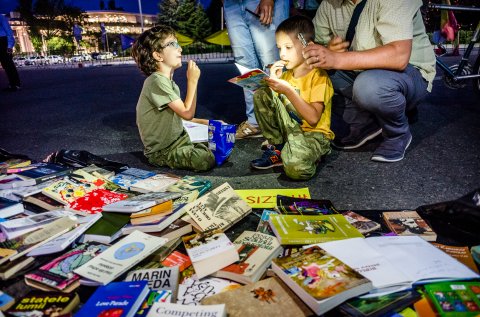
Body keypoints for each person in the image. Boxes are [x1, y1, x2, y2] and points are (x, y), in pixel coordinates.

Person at [304, 0, 436, 163]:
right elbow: (317, 44)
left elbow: (399, 56)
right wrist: (327, 50)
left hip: (408, 73)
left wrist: (335, 58)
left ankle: (397, 133)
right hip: (357, 71)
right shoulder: (329, 4)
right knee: (309, 73)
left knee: (369, 87)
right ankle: (369, 123)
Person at [250, 15, 334, 180]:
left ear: (307, 46)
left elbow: (313, 118)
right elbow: (277, 110)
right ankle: (279, 148)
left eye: (288, 47)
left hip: (314, 135)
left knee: (297, 169)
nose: (282, 54)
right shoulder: (286, 77)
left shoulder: (319, 77)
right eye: (279, 48)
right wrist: (275, 82)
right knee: (262, 93)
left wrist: (288, 90)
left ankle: (308, 155)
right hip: (289, 133)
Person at [132, 25, 215, 172]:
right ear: (158, 55)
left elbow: (181, 117)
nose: (180, 49)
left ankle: (202, 148)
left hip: (180, 140)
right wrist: (192, 81)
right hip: (163, 151)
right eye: (173, 44)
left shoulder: (169, 83)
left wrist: (210, 123)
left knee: (216, 143)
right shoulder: (156, 81)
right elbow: (187, 113)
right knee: (204, 159)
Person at [223, 0, 289, 139]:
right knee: (245, 65)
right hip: (232, 5)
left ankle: (282, 120)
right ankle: (255, 121)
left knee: (272, 61)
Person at [0, 13, 21, 92]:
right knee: (5, 65)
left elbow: (8, 31)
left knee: (8, 64)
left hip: (2, 41)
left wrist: (9, 46)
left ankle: (15, 84)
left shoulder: (1, 17)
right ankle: (13, 84)